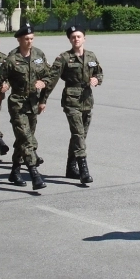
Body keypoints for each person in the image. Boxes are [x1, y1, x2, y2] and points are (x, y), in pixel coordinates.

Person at [0, 24, 48, 189]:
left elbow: (48, 75)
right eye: (26, 39)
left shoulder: (39, 55)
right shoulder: (12, 59)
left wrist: (43, 91)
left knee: (22, 139)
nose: (29, 42)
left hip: (33, 104)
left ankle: (15, 171)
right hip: (18, 104)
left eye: (31, 38)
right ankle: (35, 174)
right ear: (19, 39)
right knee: (27, 140)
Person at [40, 25, 103, 184]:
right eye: (73, 37)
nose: (76, 39)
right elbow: (52, 79)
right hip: (71, 100)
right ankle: (83, 169)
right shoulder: (64, 58)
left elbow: (99, 73)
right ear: (69, 39)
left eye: (79, 36)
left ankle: (70, 167)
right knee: (78, 134)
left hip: (87, 100)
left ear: (84, 38)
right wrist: (43, 99)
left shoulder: (91, 56)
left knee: (80, 135)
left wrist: (97, 80)